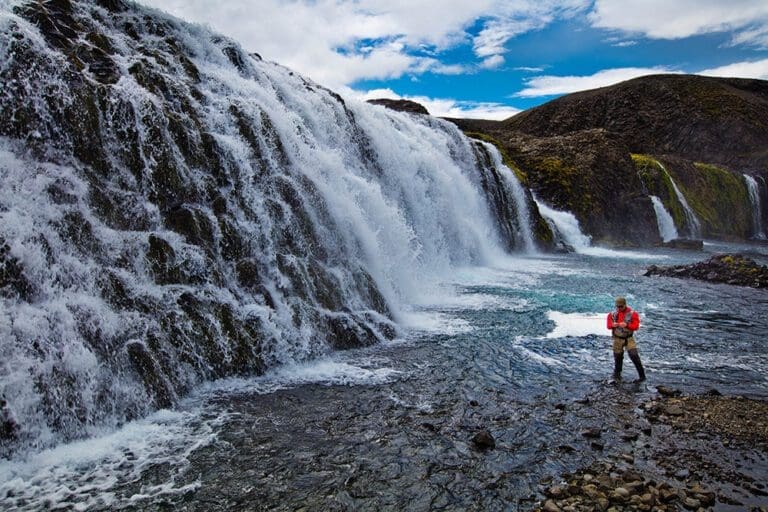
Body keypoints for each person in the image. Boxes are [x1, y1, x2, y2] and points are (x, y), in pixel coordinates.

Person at [607, 296, 646, 381]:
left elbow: (636, 327)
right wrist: (613, 325)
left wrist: (627, 325)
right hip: (617, 339)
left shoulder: (633, 314)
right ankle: (617, 376)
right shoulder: (612, 314)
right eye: (617, 307)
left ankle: (642, 377)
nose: (619, 308)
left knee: (634, 355)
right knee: (618, 358)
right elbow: (608, 326)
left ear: (625, 305)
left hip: (629, 338)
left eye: (621, 306)